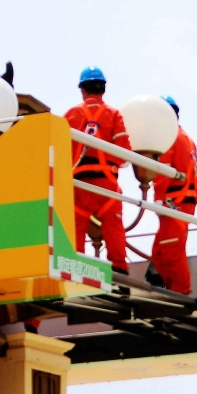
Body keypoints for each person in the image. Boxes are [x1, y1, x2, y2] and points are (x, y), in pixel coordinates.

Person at [64, 67, 130, 274]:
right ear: (103, 89)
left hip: (79, 186)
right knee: (113, 227)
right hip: (106, 186)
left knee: (74, 231)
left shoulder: (70, 115)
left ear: (82, 90)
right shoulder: (114, 115)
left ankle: (74, 272)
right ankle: (119, 271)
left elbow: (60, 153)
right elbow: (123, 154)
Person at [141, 95, 197, 295]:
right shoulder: (187, 139)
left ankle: (181, 293)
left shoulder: (169, 137)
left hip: (175, 202)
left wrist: (158, 200)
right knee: (160, 252)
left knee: (171, 249)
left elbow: (163, 170)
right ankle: (170, 289)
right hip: (185, 201)